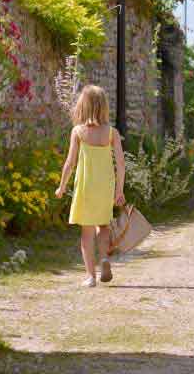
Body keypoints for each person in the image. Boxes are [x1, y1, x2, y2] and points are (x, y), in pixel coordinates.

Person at [56, 85, 126, 287]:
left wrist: (61, 187)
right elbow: (120, 164)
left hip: (86, 186)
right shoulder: (111, 132)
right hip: (105, 186)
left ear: (82, 106)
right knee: (103, 225)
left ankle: (90, 276)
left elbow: (70, 163)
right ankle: (104, 258)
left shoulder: (78, 132)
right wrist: (119, 190)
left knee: (86, 233)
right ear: (104, 107)